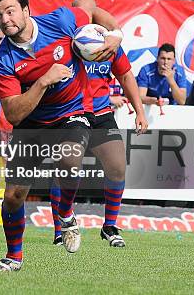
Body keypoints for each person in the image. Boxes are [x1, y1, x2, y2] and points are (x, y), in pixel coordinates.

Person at [0, 0, 123, 272]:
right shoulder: (3, 60)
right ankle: (14, 257)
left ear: (26, 10)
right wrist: (42, 81)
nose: (5, 19)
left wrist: (115, 34)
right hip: (31, 124)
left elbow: (87, 3)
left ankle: (64, 215)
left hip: (70, 112)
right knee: (13, 197)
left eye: (10, 11)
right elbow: (13, 114)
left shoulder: (60, 21)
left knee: (69, 155)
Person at [50, 47, 147, 248]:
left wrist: (140, 112)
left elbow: (126, 76)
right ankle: (61, 230)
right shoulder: (65, 40)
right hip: (71, 112)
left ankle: (109, 226)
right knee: (65, 168)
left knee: (118, 166)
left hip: (102, 114)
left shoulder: (111, 45)